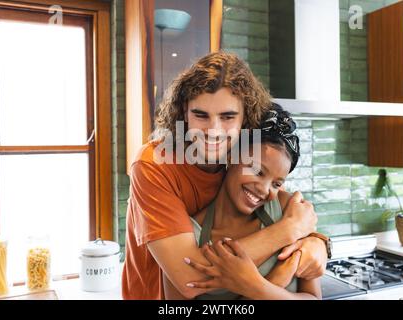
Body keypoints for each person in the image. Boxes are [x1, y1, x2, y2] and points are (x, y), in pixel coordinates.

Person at [122, 51, 328, 300]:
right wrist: (289, 230)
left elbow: (283, 199)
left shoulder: (239, 158)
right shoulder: (154, 164)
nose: (214, 131)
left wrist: (318, 242)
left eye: (228, 117)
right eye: (201, 115)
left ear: (246, 121)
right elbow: (191, 279)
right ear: (183, 112)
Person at [163, 104, 321, 300]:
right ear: (231, 155)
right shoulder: (187, 239)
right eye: (256, 170)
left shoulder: (289, 209)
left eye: (276, 183)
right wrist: (278, 277)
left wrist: (256, 287)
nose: (264, 190)